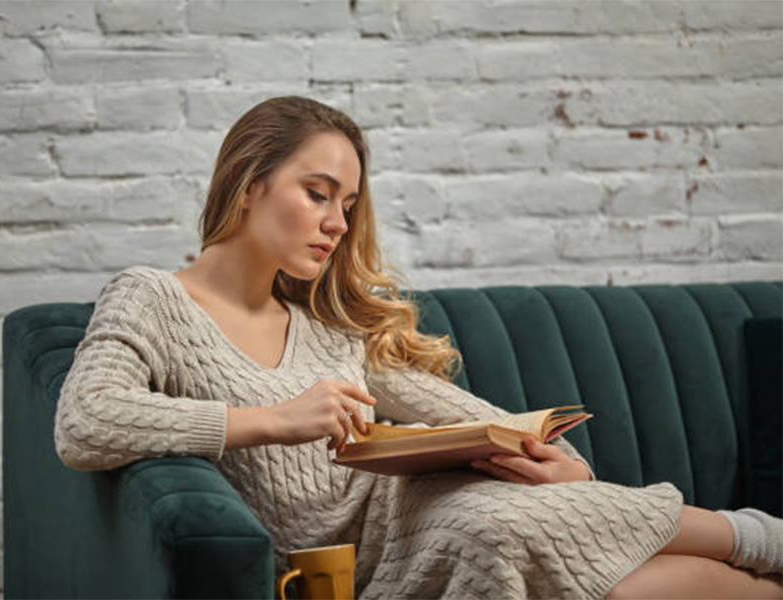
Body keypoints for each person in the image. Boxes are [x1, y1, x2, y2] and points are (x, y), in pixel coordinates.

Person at [54, 96, 782, 599]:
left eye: (346, 204)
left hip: (419, 514)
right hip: (354, 563)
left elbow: (469, 414)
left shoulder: (327, 326)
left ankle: (763, 548)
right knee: (572, 567)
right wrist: (277, 418)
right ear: (249, 183)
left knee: (509, 521)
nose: (337, 222)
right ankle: (763, 544)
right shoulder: (152, 294)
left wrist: (547, 457)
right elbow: (84, 421)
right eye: (317, 192)